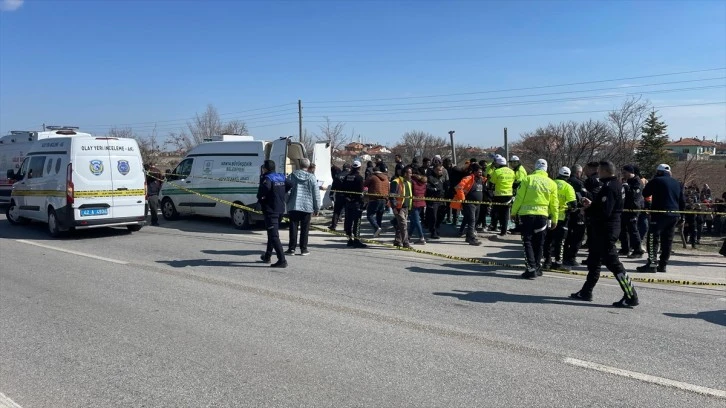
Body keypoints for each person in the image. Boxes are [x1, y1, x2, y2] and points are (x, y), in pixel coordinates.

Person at [570, 161, 639, 308]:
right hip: (601, 230)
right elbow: (603, 207)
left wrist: (588, 210)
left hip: (606, 230)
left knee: (614, 264)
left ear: (606, 171)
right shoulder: (614, 185)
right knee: (594, 262)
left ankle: (631, 295)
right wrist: (592, 205)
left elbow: (605, 212)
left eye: (599, 170)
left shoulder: (610, 187)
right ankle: (586, 291)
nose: (598, 173)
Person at [511, 159, 558, 278]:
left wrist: (513, 212)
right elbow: (554, 203)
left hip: (527, 215)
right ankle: (537, 267)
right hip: (543, 216)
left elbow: (519, 197)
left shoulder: (528, 179)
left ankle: (531, 268)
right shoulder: (552, 183)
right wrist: (555, 218)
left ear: (535, 167)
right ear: (546, 169)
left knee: (528, 241)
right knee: (539, 243)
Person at [637, 163, 685, 273]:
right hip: (674, 215)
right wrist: (682, 216)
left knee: (653, 239)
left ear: (658, 172)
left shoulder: (656, 181)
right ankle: (663, 265)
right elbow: (682, 201)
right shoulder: (678, 183)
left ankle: (652, 264)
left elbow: (645, 193)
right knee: (667, 241)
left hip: (659, 214)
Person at [257, 160, 290, 268]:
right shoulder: (280, 176)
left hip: (271, 210)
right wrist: (281, 192)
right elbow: (290, 184)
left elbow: (265, 189)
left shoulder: (268, 178)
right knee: (271, 233)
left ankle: (282, 260)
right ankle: (267, 256)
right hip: (280, 209)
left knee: (274, 235)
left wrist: (261, 197)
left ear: (265, 168)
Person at [543, 167, 576, 270]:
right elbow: (573, 204)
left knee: (547, 240)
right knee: (559, 242)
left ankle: (547, 261)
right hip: (562, 219)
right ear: (568, 176)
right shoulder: (568, 187)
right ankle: (558, 262)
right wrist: (569, 209)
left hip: (548, 216)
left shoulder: (550, 183)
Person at [285, 158, 320, 256]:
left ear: (299, 165)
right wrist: (317, 207)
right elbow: (316, 194)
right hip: (307, 206)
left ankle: (291, 249)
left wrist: (287, 202)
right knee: (305, 228)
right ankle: (303, 249)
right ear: (308, 166)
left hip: (294, 205)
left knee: (293, 228)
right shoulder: (312, 177)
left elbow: (287, 192)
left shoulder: (292, 176)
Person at [562, 164, 587, 266]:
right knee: (578, 236)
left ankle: (564, 256)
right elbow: (583, 197)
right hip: (577, 212)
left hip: (565, 212)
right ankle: (571, 257)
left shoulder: (564, 182)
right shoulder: (579, 183)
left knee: (567, 236)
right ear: (578, 172)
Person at [456, 163, 485, 246]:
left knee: (475, 220)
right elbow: (459, 187)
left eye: (481, 172)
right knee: (471, 220)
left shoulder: (481, 179)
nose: (480, 173)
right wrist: (463, 199)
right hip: (469, 203)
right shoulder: (468, 178)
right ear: (474, 172)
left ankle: (469, 236)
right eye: (479, 172)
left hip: (478, 204)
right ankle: (471, 238)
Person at [620, 165, 645, 258]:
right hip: (625, 208)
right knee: (623, 229)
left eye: (625, 172)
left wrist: (627, 187)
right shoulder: (627, 181)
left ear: (631, 172)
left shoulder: (637, 181)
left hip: (633, 208)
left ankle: (638, 250)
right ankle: (625, 248)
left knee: (633, 230)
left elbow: (635, 195)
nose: (623, 174)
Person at [341, 160, 367, 248]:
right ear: (359, 168)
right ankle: (356, 240)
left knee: (348, 221)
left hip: (348, 202)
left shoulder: (347, 177)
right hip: (356, 203)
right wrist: (362, 202)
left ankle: (349, 239)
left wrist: (347, 198)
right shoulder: (359, 178)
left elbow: (343, 190)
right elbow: (360, 192)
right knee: (357, 222)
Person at [489, 155, 515, 236]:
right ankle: (503, 231)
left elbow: (491, 183)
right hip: (508, 195)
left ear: (498, 164)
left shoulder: (497, 171)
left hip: (498, 195)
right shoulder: (512, 171)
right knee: (505, 213)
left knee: (496, 211)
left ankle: (494, 226)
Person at [363, 164, 390, 237]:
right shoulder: (386, 178)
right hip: (384, 199)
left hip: (374, 198)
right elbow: (388, 188)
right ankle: (378, 232)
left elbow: (365, 184)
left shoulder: (372, 177)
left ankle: (376, 227)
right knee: (379, 216)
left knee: (369, 215)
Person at [390, 166, 413, 248]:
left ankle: (397, 240)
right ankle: (406, 243)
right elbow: (392, 196)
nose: (411, 174)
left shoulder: (409, 183)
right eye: (409, 173)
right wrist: (394, 207)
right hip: (398, 208)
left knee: (400, 225)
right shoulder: (396, 182)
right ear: (405, 173)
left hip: (406, 207)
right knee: (404, 225)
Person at [426, 163, 447, 240]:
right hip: (433, 200)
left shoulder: (441, 179)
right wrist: (434, 190)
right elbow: (427, 188)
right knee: (433, 217)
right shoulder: (430, 178)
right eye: (439, 170)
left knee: (441, 215)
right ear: (434, 170)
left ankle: (437, 227)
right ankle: (433, 231)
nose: (440, 171)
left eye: (441, 170)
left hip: (441, 200)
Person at [329, 163, 350, 231]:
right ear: (349, 168)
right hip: (348, 196)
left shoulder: (337, 175)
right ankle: (347, 227)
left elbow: (333, 185)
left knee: (336, 211)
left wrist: (331, 194)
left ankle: (333, 226)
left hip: (339, 196)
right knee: (347, 212)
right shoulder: (350, 176)